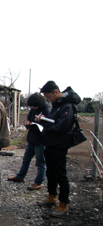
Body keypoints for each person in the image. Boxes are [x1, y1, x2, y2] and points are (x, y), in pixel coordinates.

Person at [35, 81, 81, 217]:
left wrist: (45, 125)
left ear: (56, 92)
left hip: (60, 144)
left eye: (49, 97)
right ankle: (52, 196)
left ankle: (63, 203)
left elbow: (61, 127)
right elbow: (53, 122)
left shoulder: (67, 106)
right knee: (51, 172)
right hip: (50, 143)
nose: (48, 100)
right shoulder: (57, 105)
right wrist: (43, 120)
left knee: (60, 174)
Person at [8, 93, 51, 190]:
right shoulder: (33, 109)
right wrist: (27, 123)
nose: (33, 108)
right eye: (32, 106)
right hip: (31, 139)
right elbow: (29, 118)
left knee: (40, 163)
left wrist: (38, 123)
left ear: (39, 103)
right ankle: (20, 176)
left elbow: (47, 127)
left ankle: (38, 182)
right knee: (26, 159)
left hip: (41, 141)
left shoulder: (46, 110)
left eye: (34, 106)